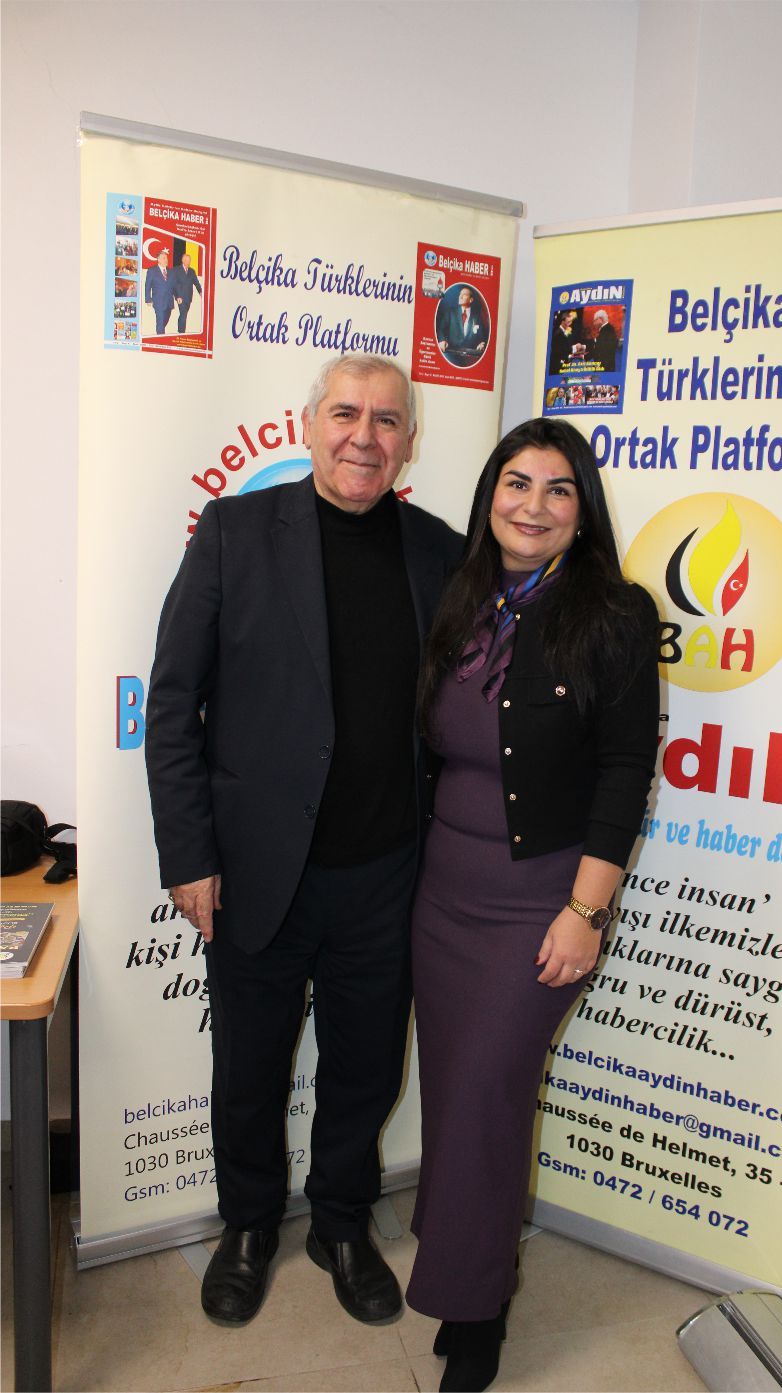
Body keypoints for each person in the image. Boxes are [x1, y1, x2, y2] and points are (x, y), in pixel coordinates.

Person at [145, 355, 462, 1327]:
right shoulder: (235, 532)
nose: (364, 435)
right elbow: (172, 704)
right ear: (307, 424)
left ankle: (339, 1222)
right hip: (255, 872)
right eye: (345, 414)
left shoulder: (439, 552)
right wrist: (189, 855)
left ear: (409, 441)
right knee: (249, 1068)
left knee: (364, 1069)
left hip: (387, 873)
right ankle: (247, 1224)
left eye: (385, 420)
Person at [405, 418, 659, 1391]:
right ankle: (462, 1259)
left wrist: (584, 914)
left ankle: (476, 1309)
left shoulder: (614, 613)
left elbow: (624, 769)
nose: (533, 505)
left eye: (558, 489)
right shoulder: (462, 594)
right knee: (452, 1090)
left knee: (484, 1094)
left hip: (538, 904)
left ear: (581, 511)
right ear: (489, 495)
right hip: (443, 894)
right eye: (516, 482)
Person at [438, 286, 487, 365]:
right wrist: (442, 340)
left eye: (464, 294)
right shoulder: (450, 313)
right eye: (460, 294)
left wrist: (482, 343)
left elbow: (481, 336)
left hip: (470, 358)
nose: (460, 296)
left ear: (471, 300)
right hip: (451, 355)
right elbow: (441, 329)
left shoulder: (477, 316)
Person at [171, 252, 203, 333]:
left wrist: (200, 291)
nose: (188, 262)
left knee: (183, 315)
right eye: (186, 260)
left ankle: (179, 330)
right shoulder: (176, 270)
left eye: (189, 260)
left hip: (188, 297)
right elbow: (174, 284)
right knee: (184, 314)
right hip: (180, 297)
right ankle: (182, 333)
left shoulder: (192, 271)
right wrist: (177, 296)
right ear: (183, 260)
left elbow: (196, 283)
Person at [144, 250, 175, 334]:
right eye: (164, 258)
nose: (166, 260)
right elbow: (147, 286)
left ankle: (159, 334)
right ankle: (160, 338)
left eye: (166, 258)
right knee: (160, 324)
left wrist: (178, 296)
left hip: (169, 302)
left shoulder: (171, 271)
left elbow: (174, 286)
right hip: (158, 301)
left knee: (165, 321)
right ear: (158, 259)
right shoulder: (152, 271)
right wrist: (148, 299)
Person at [547, 308, 582, 375]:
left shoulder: (562, 332)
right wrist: (575, 347)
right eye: (568, 322)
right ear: (563, 322)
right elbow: (562, 350)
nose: (570, 324)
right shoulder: (559, 334)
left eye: (571, 322)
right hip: (557, 366)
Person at [586, 307, 620, 372]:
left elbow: (600, 350)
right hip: (606, 368)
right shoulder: (608, 329)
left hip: (604, 370)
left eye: (595, 320)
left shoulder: (607, 331)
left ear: (600, 319)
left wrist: (586, 356)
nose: (594, 323)